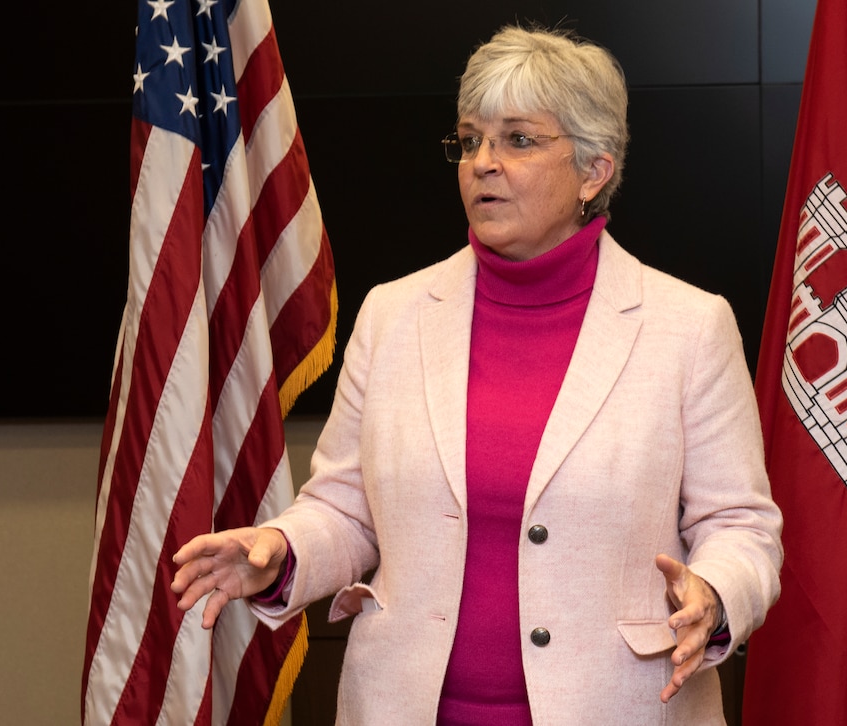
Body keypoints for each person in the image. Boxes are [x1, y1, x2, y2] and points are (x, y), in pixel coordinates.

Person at [172, 24, 782, 725]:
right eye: (470, 141)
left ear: (594, 170)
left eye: (518, 140)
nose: (483, 163)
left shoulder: (688, 327)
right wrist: (278, 551)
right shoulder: (393, 314)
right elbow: (344, 510)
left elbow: (741, 525)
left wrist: (714, 590)